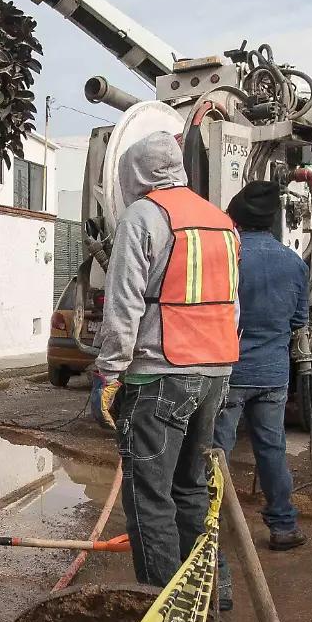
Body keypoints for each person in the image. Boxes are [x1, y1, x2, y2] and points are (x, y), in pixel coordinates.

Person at [93, 131, 240, 594]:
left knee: (150, 497)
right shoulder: (221, 221)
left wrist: (110, 372)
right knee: (191, 489)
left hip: (160, 374)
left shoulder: (144, 216)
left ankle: (164, 608)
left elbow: (124, 302)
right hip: (215, 372)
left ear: (134, 173)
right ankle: (211, 592)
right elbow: (233, 303)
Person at [214, 180, 309, 550]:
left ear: (235, 217)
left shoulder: (227, 257)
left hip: (231, 372)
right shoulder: (294, 262)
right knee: (272, 449)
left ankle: (212, 529)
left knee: (217, 451)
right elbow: (298, 318)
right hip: (273, 373)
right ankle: (284, 527)